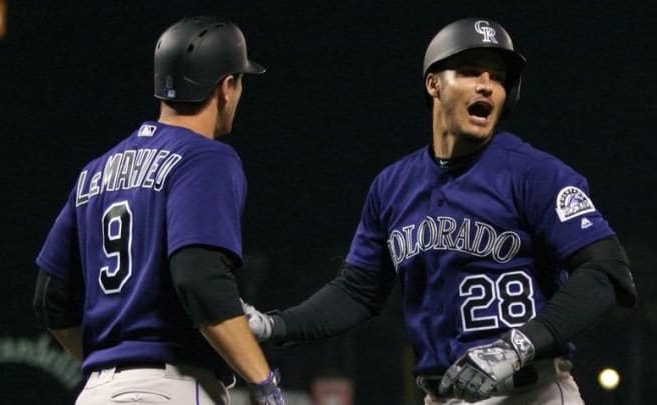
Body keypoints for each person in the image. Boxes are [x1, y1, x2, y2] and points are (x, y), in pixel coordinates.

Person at [241, 17, 637, 404]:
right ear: (434, 83)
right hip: (442, 395)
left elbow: (607, 271)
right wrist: (277, 324)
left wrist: (519, 345)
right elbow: (358, 291)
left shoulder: (535, 173)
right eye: (469, 71)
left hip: (532, 391)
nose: (486, 85)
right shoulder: (393, 185)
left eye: (498, 78)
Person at [33, 16, 285, 405]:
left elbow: (50, 299)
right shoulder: (204, 158)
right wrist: (265, 382)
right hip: (174, 386)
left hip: (96, 393)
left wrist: (112, 368)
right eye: (239, 81)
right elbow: (198, 278)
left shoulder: (96, 171)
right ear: (226, 87)